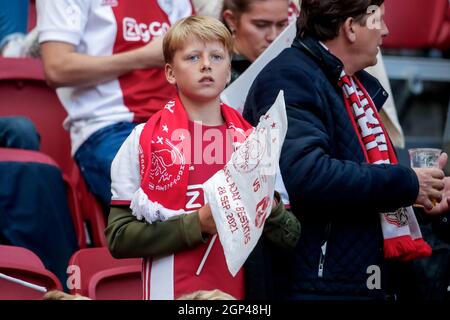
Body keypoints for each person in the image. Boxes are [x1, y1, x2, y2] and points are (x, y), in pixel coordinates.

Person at [243, 0, 450, 299]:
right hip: (317, 286)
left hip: (356, 280)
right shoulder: (290, 76)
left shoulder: (353, 86)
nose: (386, 31)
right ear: (351, 27)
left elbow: (364, 177)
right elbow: (308, 174)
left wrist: (422, 198)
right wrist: (408, 183)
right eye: (379, 20)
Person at [105, 16, 300, 300]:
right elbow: (118, 237)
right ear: (170, 73)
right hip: (169, 290)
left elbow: (290, 235)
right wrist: (199, 224)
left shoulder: (254, 143)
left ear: (229, 70)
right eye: (193, 57)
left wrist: (267, 206)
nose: (206, 64)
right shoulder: (142, 139)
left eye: (217, 56)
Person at [36, 0, 193, 211]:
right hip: (110, 125)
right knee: (166, 199)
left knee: (236, 178)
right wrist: (142, 58)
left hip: (180, 123)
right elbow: (56, 68)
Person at [221, 0, 290, 82]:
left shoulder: (291, 63)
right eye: (261, 25)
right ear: (232, 20)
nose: (273, 36)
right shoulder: (214, 72)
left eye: (281, 25)